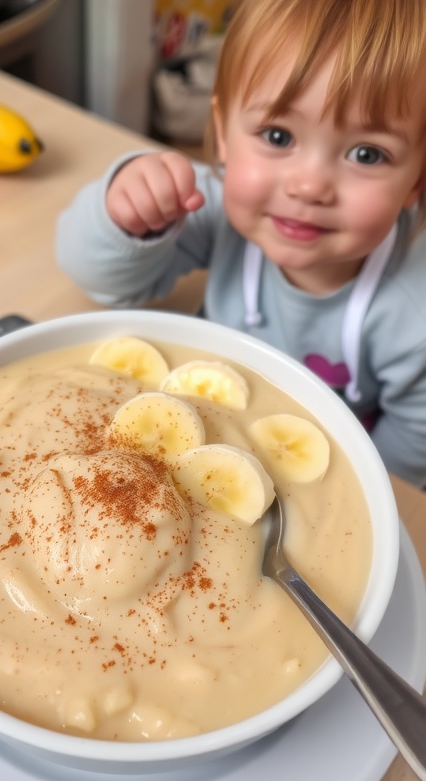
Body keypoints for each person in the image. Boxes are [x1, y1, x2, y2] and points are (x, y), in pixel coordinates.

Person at [55, 0, 426, 488]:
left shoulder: (414, 312)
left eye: (367, 153)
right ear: (224, 134)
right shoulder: (211, 209)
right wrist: (128, 212)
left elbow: (412, 445)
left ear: (417, 180)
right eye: (278, 135)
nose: (308, 186)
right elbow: (97, 278)